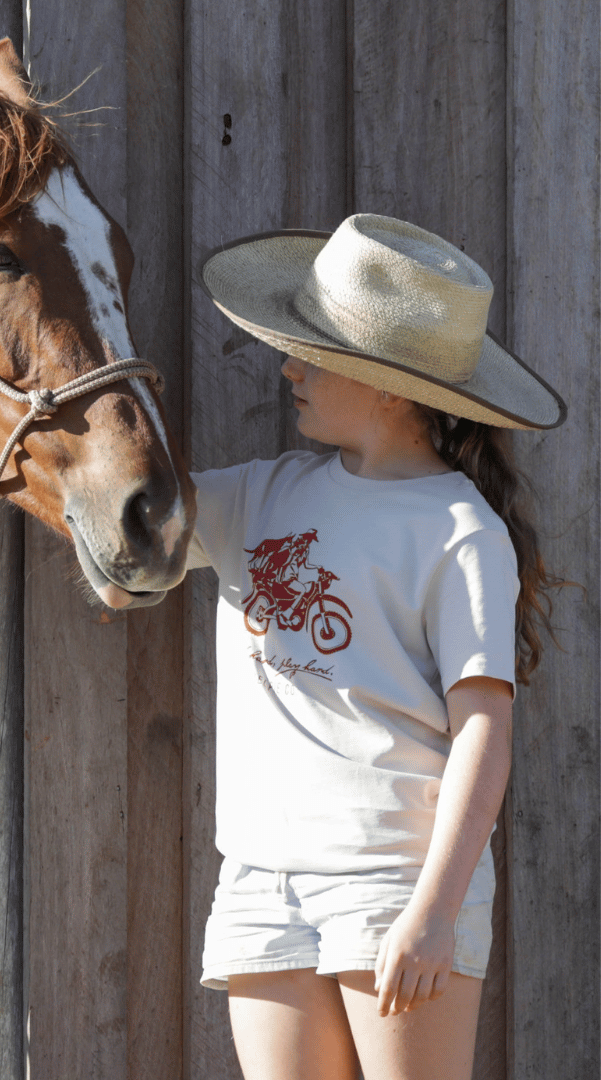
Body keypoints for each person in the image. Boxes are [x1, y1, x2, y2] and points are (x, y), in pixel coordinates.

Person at [189, 214, 566, 1080]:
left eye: (312, 354)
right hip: (261, 880)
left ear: (388, 386)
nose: (288, 367)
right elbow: (125, 515)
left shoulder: (459, 531)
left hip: (394, 883)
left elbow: (484, 731)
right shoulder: (259, 495)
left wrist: (435, 910)